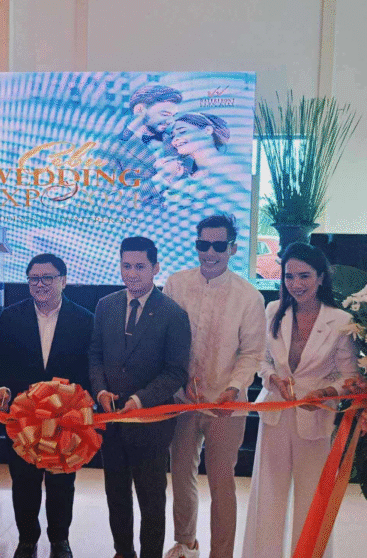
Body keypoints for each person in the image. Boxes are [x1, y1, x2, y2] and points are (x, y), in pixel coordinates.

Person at [242, 242, 359, 558]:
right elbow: (263, 360)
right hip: (274, 415)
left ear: (321, 277)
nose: (296, 284)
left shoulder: (340, 320)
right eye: (289, 276)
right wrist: (272, 378)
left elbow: (348, 378)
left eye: (304, 276)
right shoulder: (273, 311)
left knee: (312, 499)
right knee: (267, 497)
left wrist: (325, 394)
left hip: (316, 419)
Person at [162, 215, 266, 558]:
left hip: (227, 404)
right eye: (202, 244)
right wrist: (181, 381)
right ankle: (185, 543)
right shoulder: (176, 284)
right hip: (183, 400)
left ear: (232, 248)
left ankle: (221, 553)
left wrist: (233, 389)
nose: (209, 252)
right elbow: (167, 341)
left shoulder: (249, 297)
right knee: (181, 475)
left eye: (218, 245)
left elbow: (252, 353)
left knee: (222, 483)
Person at [89, 236, 191, 558]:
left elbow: (176, 372)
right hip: (112, 421)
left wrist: (140, 400)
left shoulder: (173, 314)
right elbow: (95, 355)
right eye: (126, 266)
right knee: (116, 494)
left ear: (155, 268)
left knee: (151, 500)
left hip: (151, 423)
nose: (131, 273)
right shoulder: (105, 305)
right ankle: (123, 552)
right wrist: (100, 389)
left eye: (139, 266)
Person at [0, 253, 94, 558]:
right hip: (23, 418)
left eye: (47, 278)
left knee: (62, 481)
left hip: (65, 420)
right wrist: (1, 388)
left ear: (64, 281)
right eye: (34, 278)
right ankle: (27, 540)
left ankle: (60, 540)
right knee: (23, 481)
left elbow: (88, 369)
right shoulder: (11, 317)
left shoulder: (84, 319)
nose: (40, 284)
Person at [105, 85, 183, 206]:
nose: (171, 121)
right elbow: (111, 199)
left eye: (173, 116)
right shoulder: (109, 148)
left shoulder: (177, 142)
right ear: (140, 110)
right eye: (165, 114)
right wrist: (161, 179)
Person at [153, 113, 229, 185]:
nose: (175, 140)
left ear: (207, 130)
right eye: (173, 136)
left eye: (182, 132)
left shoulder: (227, 169)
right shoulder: (187, 178)